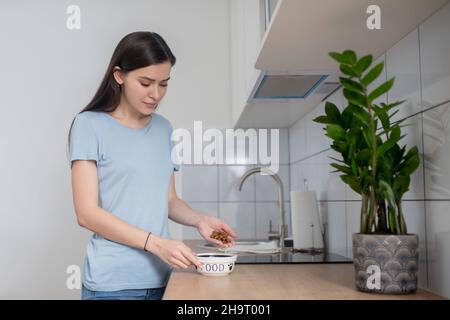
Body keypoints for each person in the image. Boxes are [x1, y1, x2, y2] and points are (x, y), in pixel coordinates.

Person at [67, 31, 237, 300]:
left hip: (163, 278)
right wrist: (156, 244)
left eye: (164, 84)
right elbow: (86, 213)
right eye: (145, 82)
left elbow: (168, 199)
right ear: (119, 75)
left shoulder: (163, 128)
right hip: (113, 285)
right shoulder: (89, 125)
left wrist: (200, 221)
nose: (155, 94)